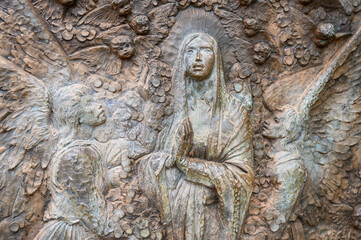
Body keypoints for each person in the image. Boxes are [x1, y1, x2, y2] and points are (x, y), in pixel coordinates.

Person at [138, 33, 254, 240]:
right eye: (191, 51)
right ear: (182, 58)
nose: (198, 58)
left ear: (216, 58)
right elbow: (143, 162)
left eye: (205, 50)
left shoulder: (234, 113)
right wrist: (169, 161)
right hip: (174, 210)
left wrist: (187, 165)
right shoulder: (167, 110)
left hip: (211, 214)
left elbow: (242, 174)